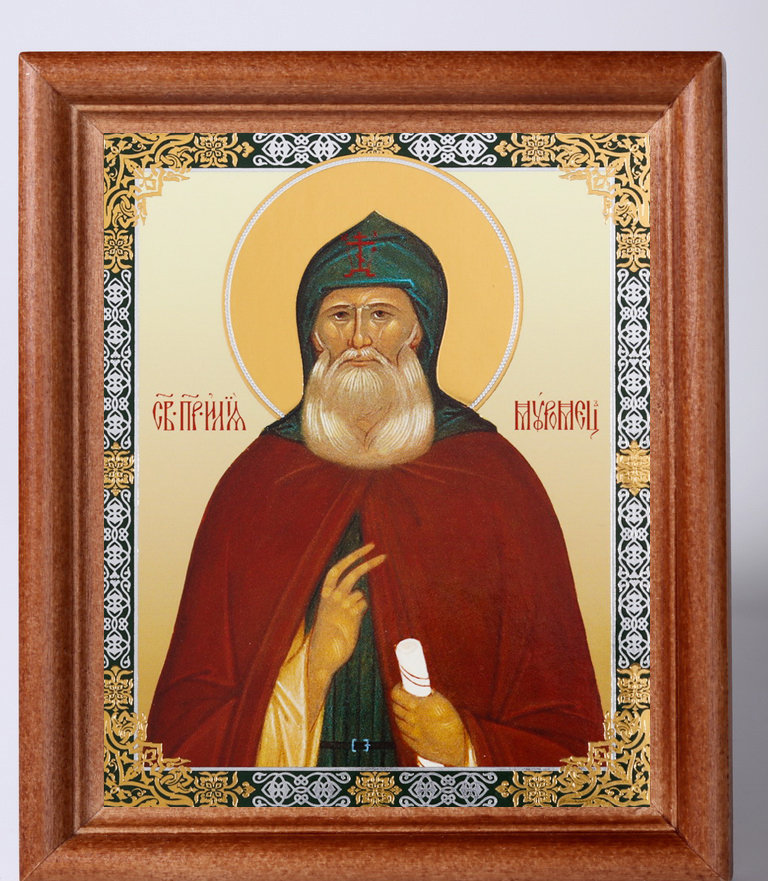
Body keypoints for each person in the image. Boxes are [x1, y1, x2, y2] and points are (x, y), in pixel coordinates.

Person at [148, 211, 603, 769]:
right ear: (314, 336)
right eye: (339, 315)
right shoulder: (257, 482)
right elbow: (183, 734)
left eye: (381, 314)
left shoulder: (494, 479)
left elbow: (565, 727)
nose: (359, 338)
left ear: (418, 332)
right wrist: (310, 670)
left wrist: (465, 746)